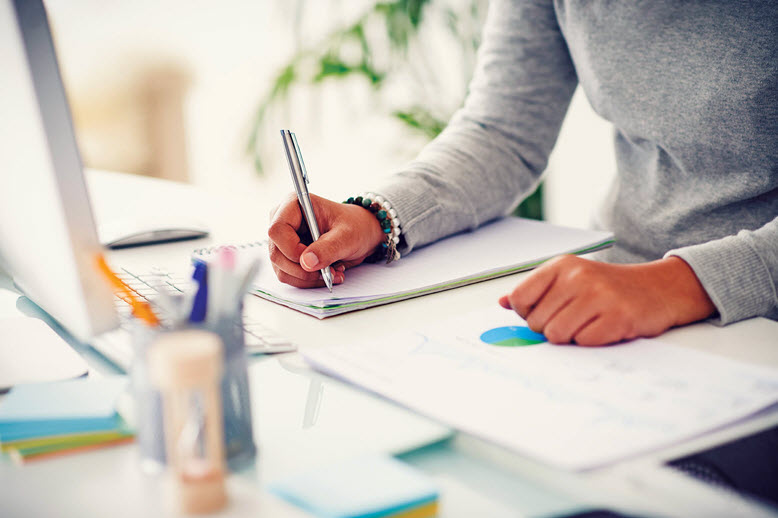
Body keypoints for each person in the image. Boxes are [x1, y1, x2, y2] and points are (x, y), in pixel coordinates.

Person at [268, 1, 778, 346]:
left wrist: (678, 285)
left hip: (753, 313)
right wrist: (375, 217)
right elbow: (502, 133)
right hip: (613, 293)